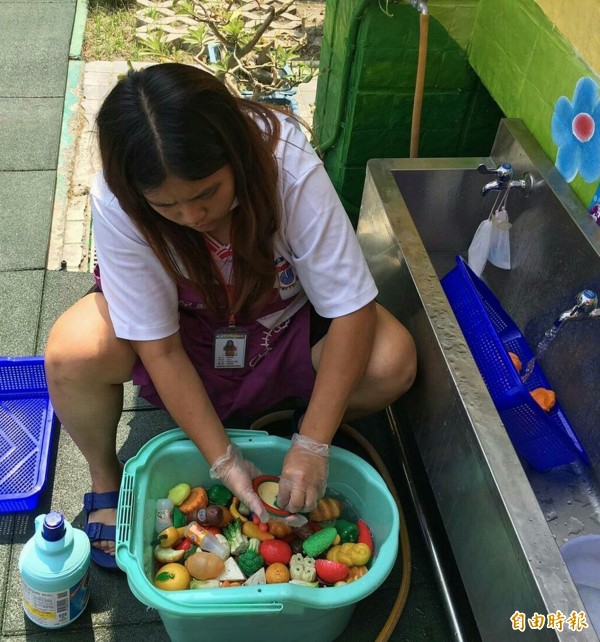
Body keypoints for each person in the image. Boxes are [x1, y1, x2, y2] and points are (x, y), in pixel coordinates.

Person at [45, 63, 417, 569]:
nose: (193, 217)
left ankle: (292, 427)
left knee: (392, 358)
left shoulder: (284, 161)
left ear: (236, 155)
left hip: (279, 330)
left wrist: (313, 443)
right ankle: (107, 479)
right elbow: (161, 347)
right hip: (187, 338)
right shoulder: (116, 199)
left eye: (205, 194)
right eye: (167, 206)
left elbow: (351, 308)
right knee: (73, 353)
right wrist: (221, 462)